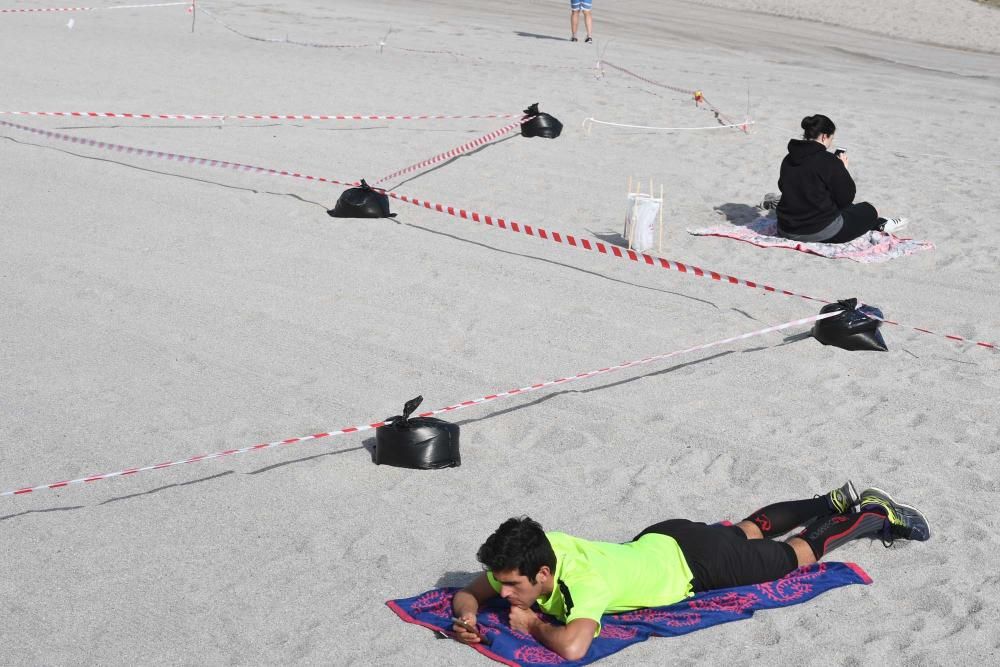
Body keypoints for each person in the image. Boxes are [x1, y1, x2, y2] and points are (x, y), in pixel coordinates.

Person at [452, 484, 929, 661]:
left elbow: (574, 648)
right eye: (503, 583)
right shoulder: (531, 553)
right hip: (662, 535)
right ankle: (829, 500)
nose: (504, 591)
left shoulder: (586, 585)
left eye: (513, 585)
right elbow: (471, 593)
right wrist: (469, 616)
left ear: (542, 573)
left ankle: (868, 512)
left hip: (700, 566)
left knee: (794, 557)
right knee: (743, 530)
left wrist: (533, 623)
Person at [775, 114, 907, 242]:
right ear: (824, 137)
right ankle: (879, 223)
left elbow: (783, 186)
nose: (830, 143)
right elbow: (846, 199)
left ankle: (878, 223)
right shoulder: (828, 160)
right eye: (831, 139)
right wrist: (842, 169)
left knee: (841, 206)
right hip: (819, 231)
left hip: (786, 228)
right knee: (870, 209)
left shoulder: (789, 158)